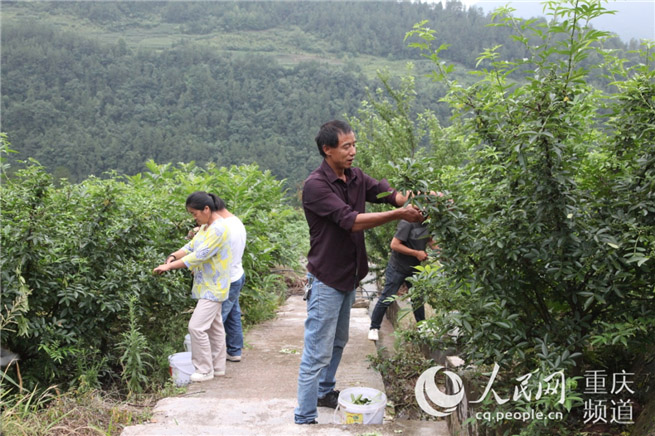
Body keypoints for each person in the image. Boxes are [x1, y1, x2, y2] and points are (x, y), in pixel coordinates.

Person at [294, 120, 423, 425]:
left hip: (350, 277)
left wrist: (422, 199)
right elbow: (350, 220)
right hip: (326, 278)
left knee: (338, 342)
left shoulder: (356, 177)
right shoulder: (316, 185)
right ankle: (304, 416)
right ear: (327, 150)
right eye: (346, 146)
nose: (353, 151)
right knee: (316, 351)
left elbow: (391, 195)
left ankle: (325, 392)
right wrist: (399, 214)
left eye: (354, 145)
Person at [153, 191, 232, 383]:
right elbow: (190, 247)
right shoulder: (206, 227)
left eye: (194, 213)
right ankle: (218, 367)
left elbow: (199, 255)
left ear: (206, 209)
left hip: (213, 287)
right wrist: (173, 255)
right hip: (207, 285)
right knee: (215, 328)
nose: (194, 217)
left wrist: (170, 266)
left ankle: (204, 369)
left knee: (196, 327)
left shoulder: (219, 229)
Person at [368, 218, 436, 341]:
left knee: (418, 298)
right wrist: (416, 253)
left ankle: (422, 328)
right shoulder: (408, 222)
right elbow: (394, 245)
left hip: (415, 267)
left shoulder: (428, 223)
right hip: (398, 267)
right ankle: (374, 328)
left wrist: (443, 254)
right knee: (387, 297)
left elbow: (431, 241)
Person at [217, 204, 247, 362]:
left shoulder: (223, 227)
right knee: (233, 314)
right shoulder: (236, 222)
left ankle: (211, 357)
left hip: (228, 279)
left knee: (217, 318)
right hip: (237, 274)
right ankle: (234, 351)